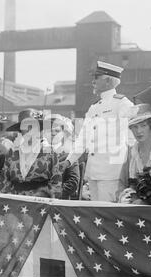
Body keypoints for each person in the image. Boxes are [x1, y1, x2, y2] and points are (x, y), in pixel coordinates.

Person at [60, 61, 134, 202]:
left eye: (96, 77)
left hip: (111, 172)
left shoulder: (121, 102)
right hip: (94, 171)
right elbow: (83, 138)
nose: (93, 81)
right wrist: (69, 161)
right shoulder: (94, 107)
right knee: (96, 215)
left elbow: (134, 119)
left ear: (107, 80)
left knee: (108, 215)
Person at [0, 109, 63, 198]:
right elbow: (3, 181)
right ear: (20, 129)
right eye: (26, 126)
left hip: (40, 205)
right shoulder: (12, 153)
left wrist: (42, 200)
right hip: (14, 204)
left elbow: (56, 183)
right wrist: (11, 200)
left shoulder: (50, 153)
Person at [45, 114, 80, 199]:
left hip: (58, 202)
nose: (53, 133)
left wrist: (52, 193)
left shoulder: (68, 155)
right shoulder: (38, 153)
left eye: (57, 131)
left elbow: (72, 183)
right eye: (50, 130)